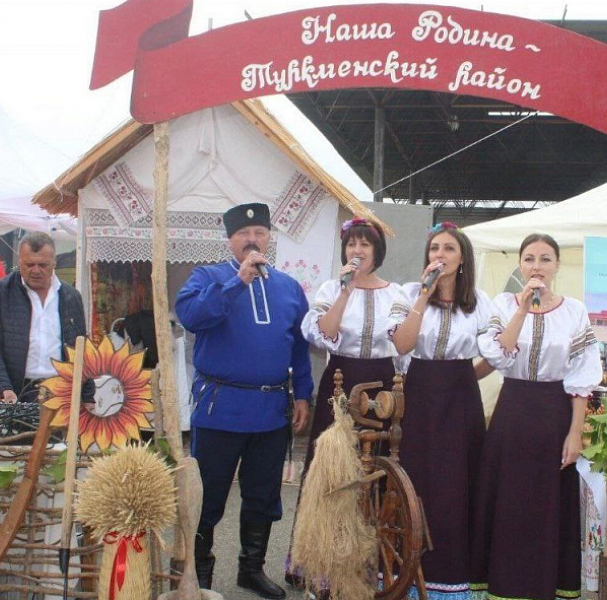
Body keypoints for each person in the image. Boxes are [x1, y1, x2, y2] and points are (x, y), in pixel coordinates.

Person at [175, 202, 312, 599]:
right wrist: (238, 281)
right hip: (220, 409)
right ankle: (199, 573)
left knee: (263, 495)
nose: (252, 240)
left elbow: (299, 347)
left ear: (269, 238)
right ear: (230, 240)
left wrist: (304, 394)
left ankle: (250, 570)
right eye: (243, 234)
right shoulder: (207, 277)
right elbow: (192, 317)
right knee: (208, 495)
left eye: (260, 233)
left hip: (270, 411)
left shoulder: (289, 287)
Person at [470, 233, 602, 600]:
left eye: (545, 259)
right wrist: (523, 309)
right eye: (529, 258)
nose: (537, 266)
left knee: (546, 503)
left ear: (557, 265)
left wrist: (575, 432)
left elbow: (581, 376)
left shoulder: (574, 311)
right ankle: (502, 584)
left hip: (554, 414)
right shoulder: (503, 304)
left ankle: (544, 586)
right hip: (512, 411)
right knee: (508, 500)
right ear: (520, 265)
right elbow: (498, 353)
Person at [285, 217, 407, 586]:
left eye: (364, 244)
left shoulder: (396, 293)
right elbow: (324, 332)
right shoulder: (331, 288)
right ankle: (320, 563)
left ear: (377, 251)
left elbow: (403, 343)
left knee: (377, 465)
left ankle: (369, 564)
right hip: (339, 382)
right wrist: (344, 290)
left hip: (382, 385)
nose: (357, 250)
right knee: (331, 468)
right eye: (352, 244)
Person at [388, 222, 499, 600]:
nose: (440, 255)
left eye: (449, 248)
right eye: (435, 248)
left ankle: (452, 579)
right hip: (419, 394)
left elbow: (496, 353)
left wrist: (465, 376)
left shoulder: (479, 301)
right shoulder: (408, 293)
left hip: (461, 398)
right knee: (416, 479)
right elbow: (402, 345)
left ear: (463, 258)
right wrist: (424, 294)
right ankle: (406, 573)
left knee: (456, 483)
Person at [0, 232, 87, 403]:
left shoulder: (71, 297)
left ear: (54, 262)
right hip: (12, 392)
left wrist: (87, 395)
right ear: (20, 261)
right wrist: (1, 387)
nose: (35, 271)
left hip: (60, 394)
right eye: (29, 264)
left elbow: (81, 349)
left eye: (43, 265)